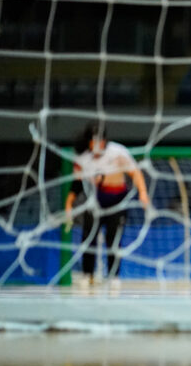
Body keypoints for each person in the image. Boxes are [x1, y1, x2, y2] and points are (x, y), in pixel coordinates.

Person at [64, 122, 150, 287]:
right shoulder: (82, 158)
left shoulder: (118, 152)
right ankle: (87, 274)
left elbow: (135, 172)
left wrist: (143, 192)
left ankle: (113, 276)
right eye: (95, 140)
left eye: (101, 140)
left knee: (114, 239)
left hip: (117, 200)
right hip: (95, 200)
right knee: (88, 238)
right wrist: (69, 204)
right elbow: (77, 184)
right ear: (89, 141)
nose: (99, 144)